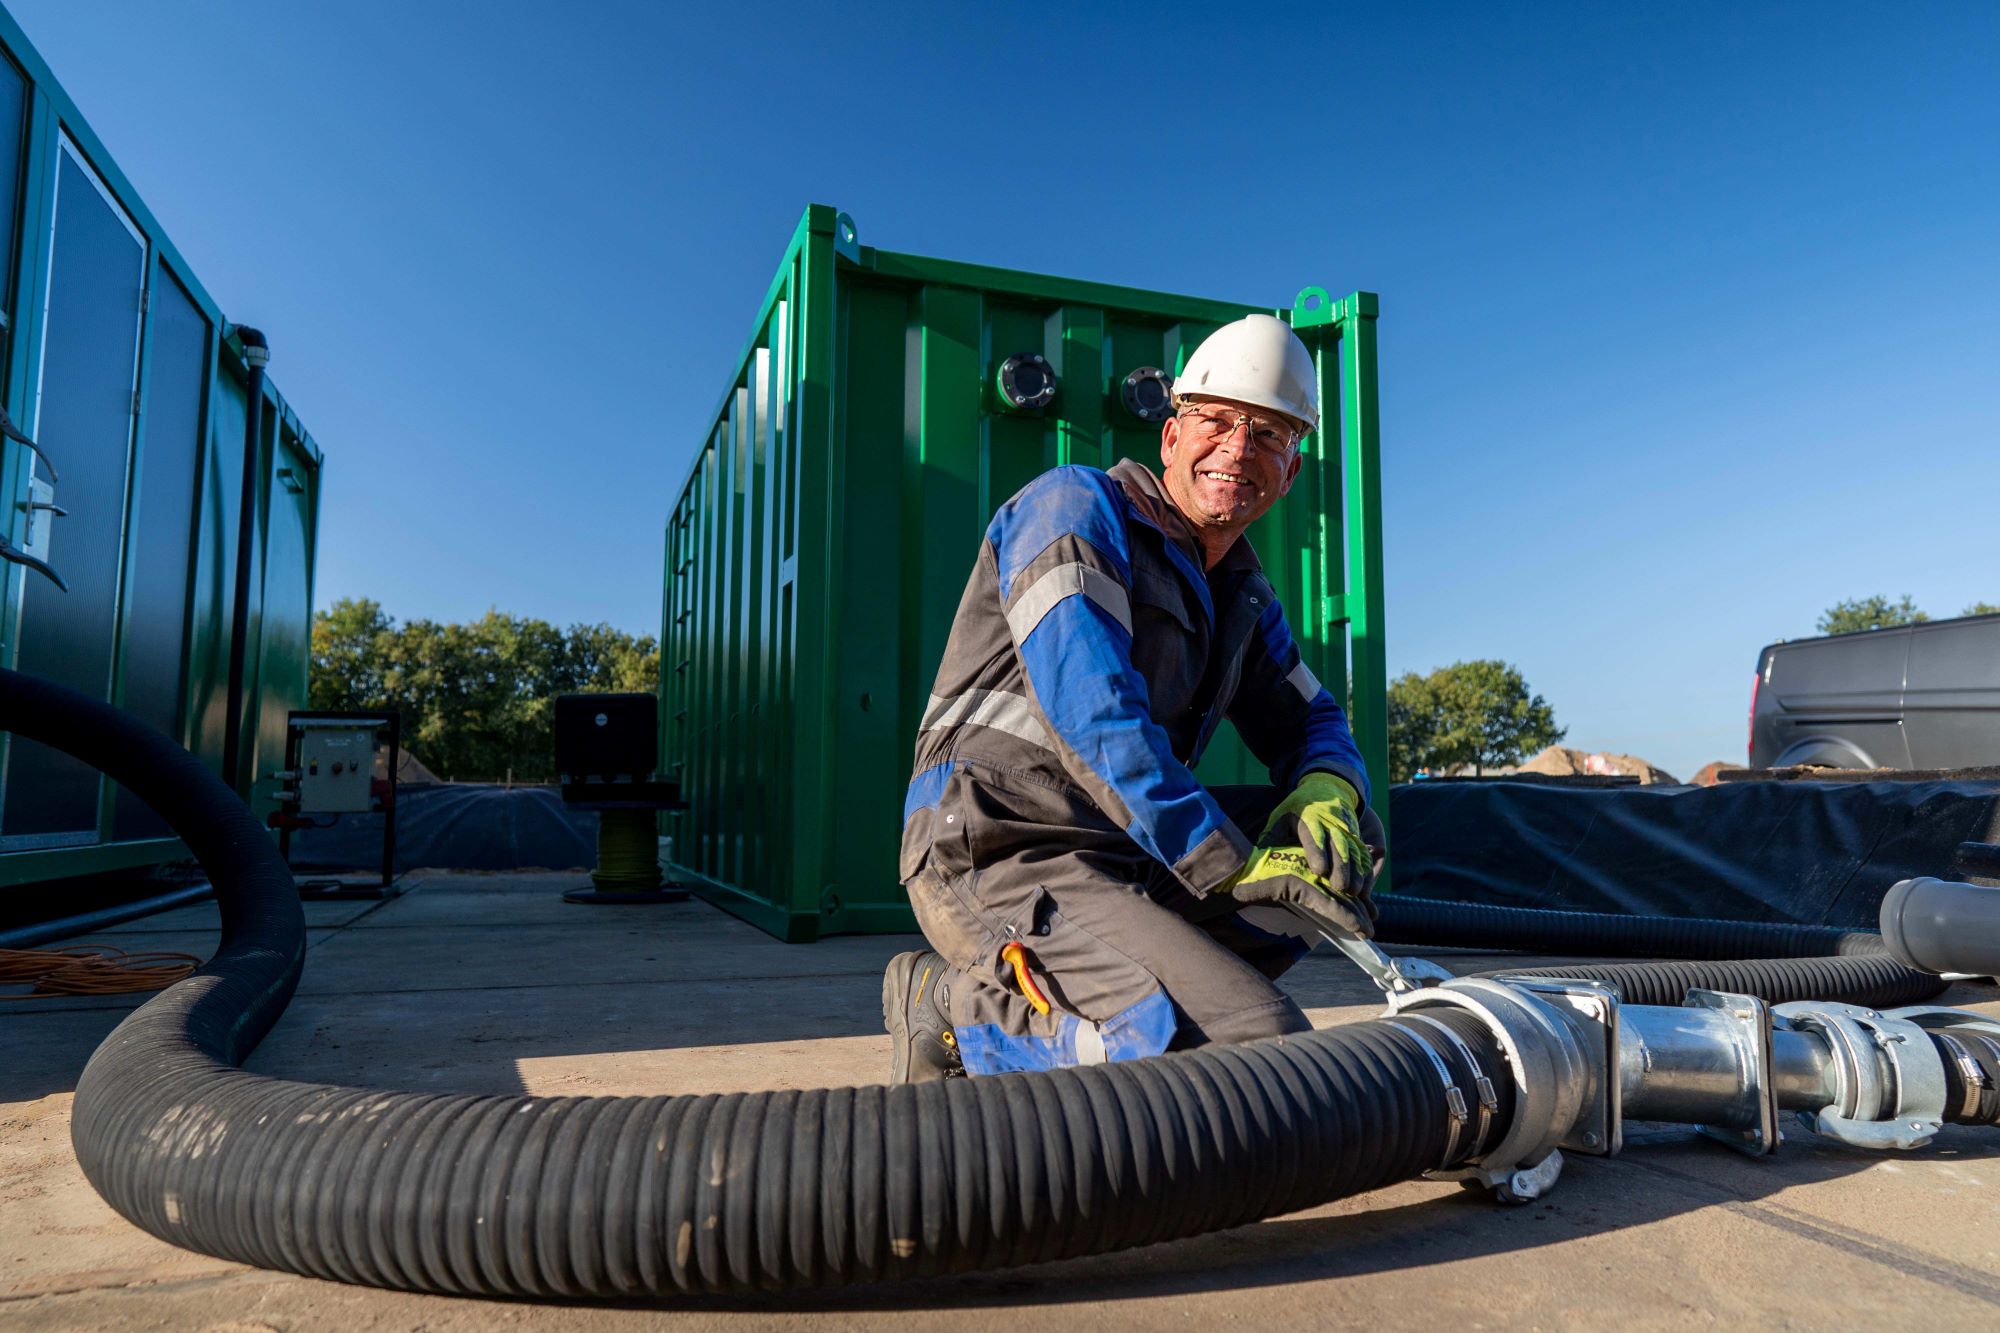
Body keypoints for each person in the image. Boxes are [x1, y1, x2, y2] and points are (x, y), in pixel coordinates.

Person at [883, 313, 1383, 1082]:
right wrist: (1221, 862)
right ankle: (954, 1011)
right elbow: (1094, 714)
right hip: (1000, 844)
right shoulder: (1074, 509)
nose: (1238, 448)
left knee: (1336, 849)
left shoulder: (1242, 595)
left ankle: (1149, 971)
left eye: (1271, 435)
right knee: (1244, 1054)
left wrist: (1325, 788)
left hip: (1126, 853)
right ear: (1171, 437)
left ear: (1291, 470)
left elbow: (1312, 716)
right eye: (1215, 421)